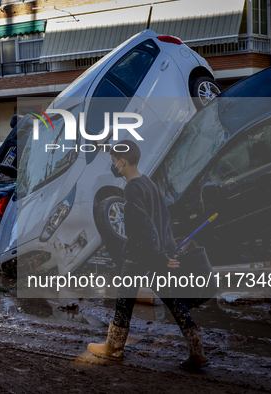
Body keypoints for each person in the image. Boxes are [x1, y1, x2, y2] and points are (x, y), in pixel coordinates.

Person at [87, 140, 209, 370]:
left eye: (114, 162)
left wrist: (161, 255)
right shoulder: (149, 183)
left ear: (122, 161)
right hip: (159, 251)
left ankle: (114, 348)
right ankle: (197, 351)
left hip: (139, 253)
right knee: (173, 300)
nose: (114, 166)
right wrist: (168, 250)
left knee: (124, 298)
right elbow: (163, 219)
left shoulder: (132, 188)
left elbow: (146, 225)